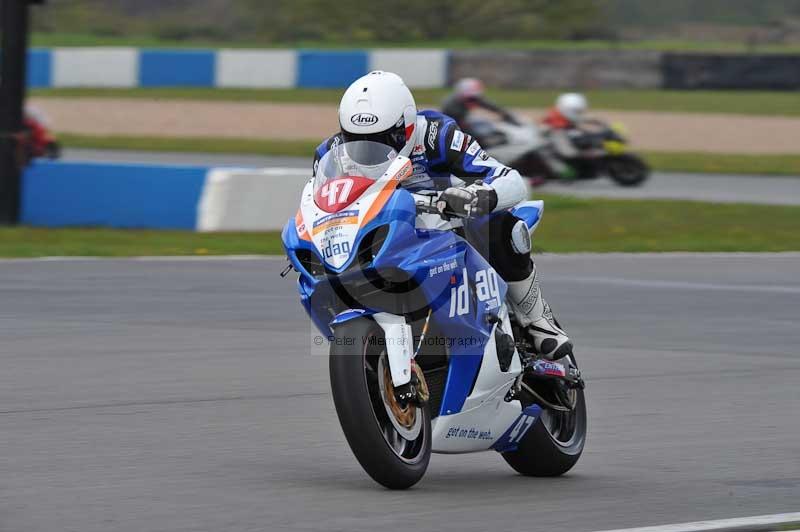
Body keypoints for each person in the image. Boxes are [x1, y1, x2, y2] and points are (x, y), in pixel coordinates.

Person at [313, 71, 572, 361]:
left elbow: (509, 178)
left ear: (406, 126)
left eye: (382, 140)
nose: (369, 150)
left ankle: (537, 319)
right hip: (384, 235)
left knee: (499, 224)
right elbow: (321, 205)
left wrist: (479, 196)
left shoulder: (436, 134)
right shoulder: (330, 155)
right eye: (356, 139)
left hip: (448, 225)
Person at [441, 78, 520, 132]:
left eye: (475, 98)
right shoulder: (450, 106)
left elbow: (494, 108)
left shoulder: (475, 99)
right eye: (470, 99)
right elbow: (455, 125)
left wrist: (508, 117)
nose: (473, 102)